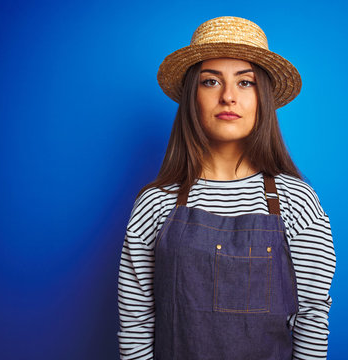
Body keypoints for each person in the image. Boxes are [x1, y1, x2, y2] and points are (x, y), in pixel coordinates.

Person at [117, 16, 336, 360]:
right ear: (193, 97)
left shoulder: (296, 201)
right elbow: (136, 323)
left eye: (245, 83)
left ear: (262, 98)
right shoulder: (155, 203)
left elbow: (311, 318)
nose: (228, 97)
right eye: (210, 81)